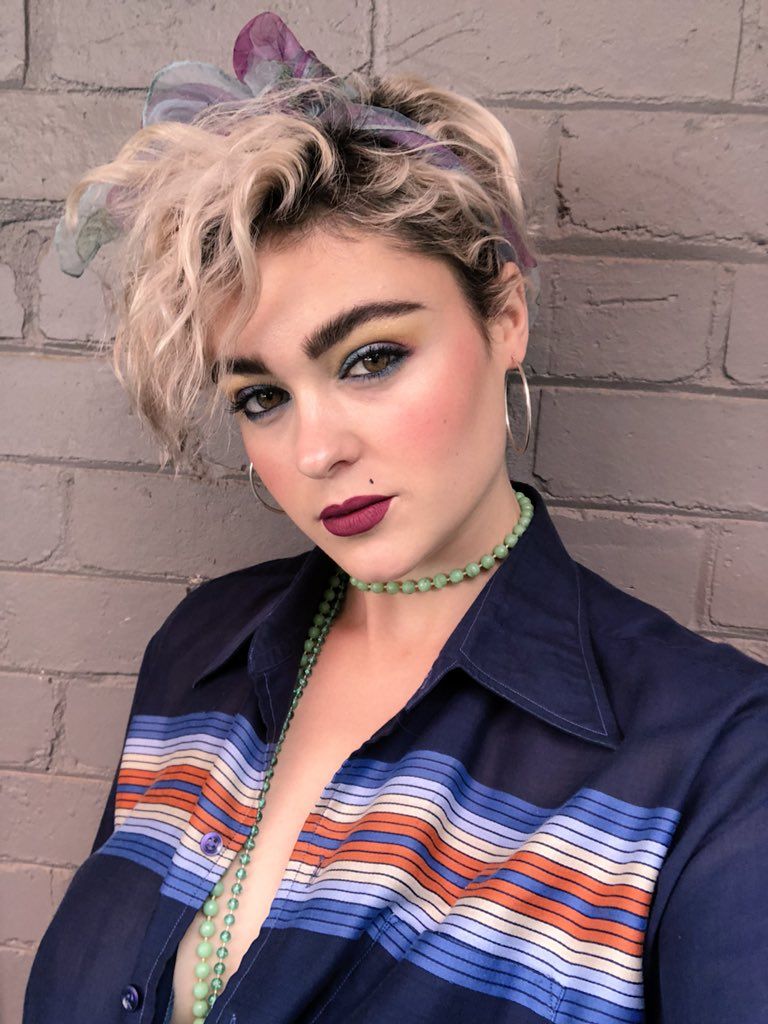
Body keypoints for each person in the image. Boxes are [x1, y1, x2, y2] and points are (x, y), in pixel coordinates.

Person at [23, 11, 768, 1024]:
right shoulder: (198, 654)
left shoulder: (712, 759)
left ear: (506, 317)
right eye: (261, 396)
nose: (316, 449)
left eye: (371, 358)